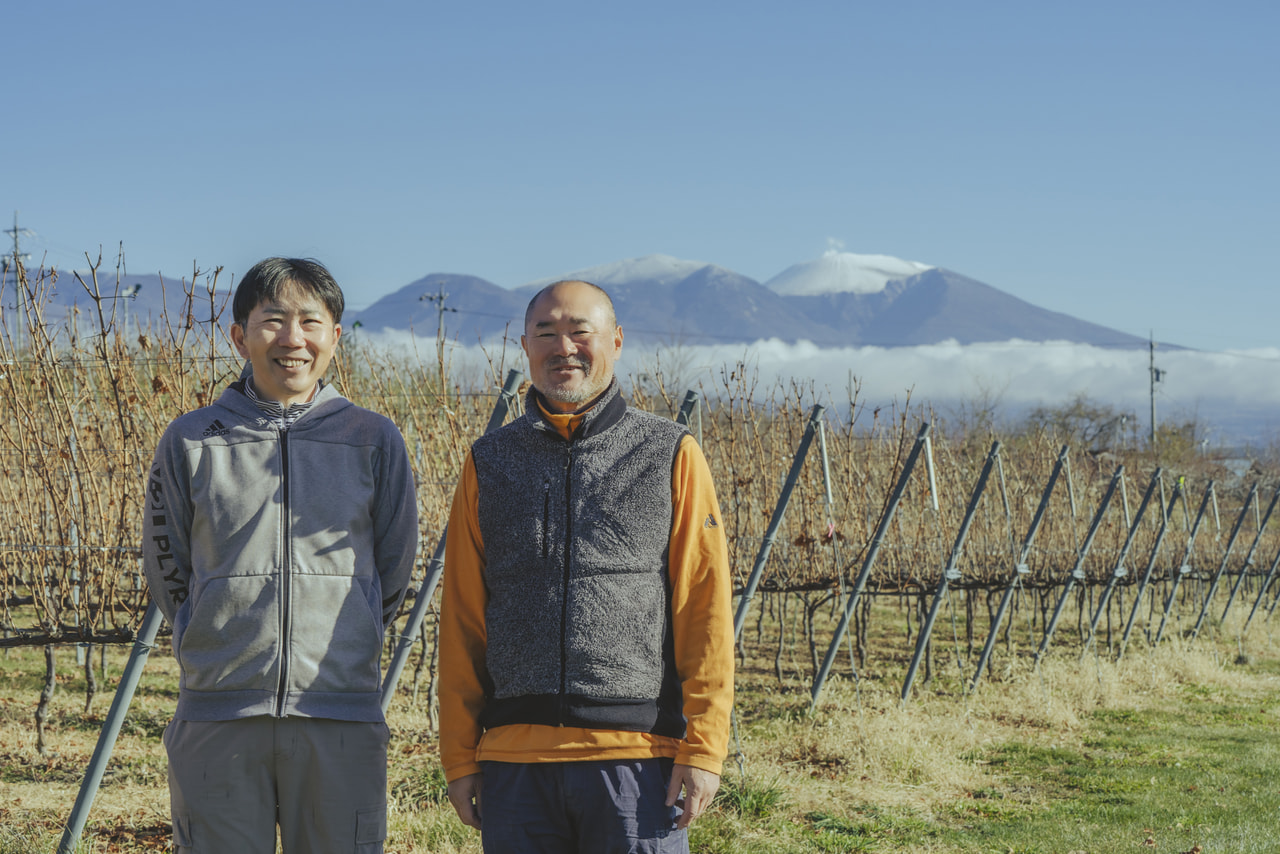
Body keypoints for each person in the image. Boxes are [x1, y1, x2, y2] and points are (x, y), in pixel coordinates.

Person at [439, 279, 734, 853]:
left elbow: (704, 608)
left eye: (581, 332)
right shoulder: (488, 462)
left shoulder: (669, 453)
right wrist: (458, 754)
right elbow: (464, 617)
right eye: (546, 333)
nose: (563, 347)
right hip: (512, 760)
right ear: (525, 346)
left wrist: (704, 748)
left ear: (616, 341)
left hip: (638, 759)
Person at [142, 257, 419, 854]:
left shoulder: (372, 439)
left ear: (335, 337)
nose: (293, 339)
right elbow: (169, 566)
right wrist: (206, 629)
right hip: (219, 710)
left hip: (339, 710)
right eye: (273, 321)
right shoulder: (191, 439)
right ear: (239, 335)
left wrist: (355, 629)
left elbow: (393, 569)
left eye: (311, 322)